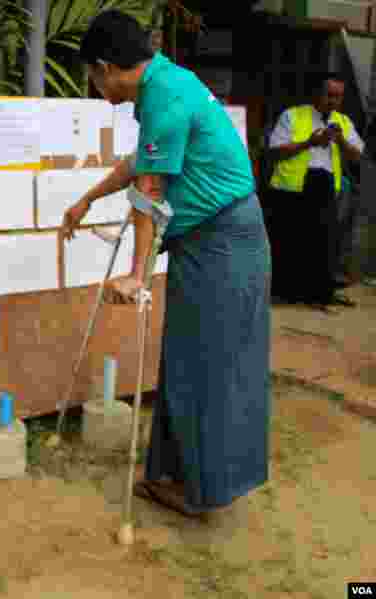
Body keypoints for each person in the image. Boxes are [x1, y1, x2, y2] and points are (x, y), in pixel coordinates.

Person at [61, 10, 271, 518]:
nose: (94, 86)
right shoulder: (166, 84)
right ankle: (178, 476)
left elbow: (148, 196)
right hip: (215, 238)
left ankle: (204, 489)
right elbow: (144, 165)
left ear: (107, 67)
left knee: (207, 365)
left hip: (223, 242)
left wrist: (137, 275)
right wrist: (88, 197)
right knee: (188, 359)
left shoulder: (165, 97)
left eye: (92, 75)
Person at [266, 73, 363, 312]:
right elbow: (275, 151)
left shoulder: (343, 121)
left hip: (325, 187)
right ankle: (286, 293)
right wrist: (308, 143)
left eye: (338, 96)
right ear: (317, 94)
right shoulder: (293, 115)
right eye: (329, 95)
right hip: (293, 188)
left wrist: (340, 141)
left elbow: (357, 155)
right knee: (290, 241)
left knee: (324, 243)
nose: (333, 101)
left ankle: (319, 294)